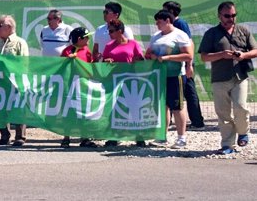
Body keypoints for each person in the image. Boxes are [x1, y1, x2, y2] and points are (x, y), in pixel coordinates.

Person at [198, 1, 256, 155]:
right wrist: (221, 55)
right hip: (219, 78)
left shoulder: (243, 31)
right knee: (223, 113)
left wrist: (244, 55)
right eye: (227, 15)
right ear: (219, 16)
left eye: (233, 15)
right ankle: (227, 145)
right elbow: (204, 57)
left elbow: (255, 50)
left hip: (240, 76)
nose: (231, 18)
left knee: (241, 107)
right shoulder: (211, 34)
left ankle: (243, 131)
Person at [145, 10, 193, 149]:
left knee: (177, 107)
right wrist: (152, 55)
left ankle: (181, 137)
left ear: (167, 20)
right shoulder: (155, 36)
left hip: (175, 75)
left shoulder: (180, 35)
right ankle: (162, 136)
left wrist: (167, 58)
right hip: (159, 76)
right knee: (162, 106)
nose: (157, 24)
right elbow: (148, 53)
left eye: (159, 22)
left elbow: (188, 55)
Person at [101, 19, 145, 147]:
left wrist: (138, 60)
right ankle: (114, 136)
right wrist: (107, 61)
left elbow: (141, 60)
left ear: (120, 31)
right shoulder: (109, 45)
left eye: (112, 31)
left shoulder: (133, 44)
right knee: (114, 108)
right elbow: (103, 62)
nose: (109, 33)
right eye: (108, 31)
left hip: (131, 80)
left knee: (134, 108)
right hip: (114, 80)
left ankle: (139, 136)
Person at [163, 1, 205, 130]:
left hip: (184, 65)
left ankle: (197, 122)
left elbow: (189, 43)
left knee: (189, 92)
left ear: (171, 12)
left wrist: (189, 64)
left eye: (165, 10)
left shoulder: (180, 24)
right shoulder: (171, 26)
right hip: (177, 66)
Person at [0, 15, 29, 146]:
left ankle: (20, 136)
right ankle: (4, 135)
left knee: (18, 107)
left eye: (0, 25)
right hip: (1, 80)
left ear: (8, 27)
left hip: (15, 80)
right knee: (1, 107)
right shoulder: (0, 43)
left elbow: (24, 62)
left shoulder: (19, 42)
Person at [59, 27, 96, 148]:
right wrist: (67, 60)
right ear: (79, 39)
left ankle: (85, 138)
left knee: (84, 112)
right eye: (87, 37)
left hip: (83, 87)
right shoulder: (67, 51)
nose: (89, 40)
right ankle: (66, 137)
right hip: (69, 86)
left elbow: (91, 67)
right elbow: (59, 67)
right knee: (68, 111)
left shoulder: (87, 51)